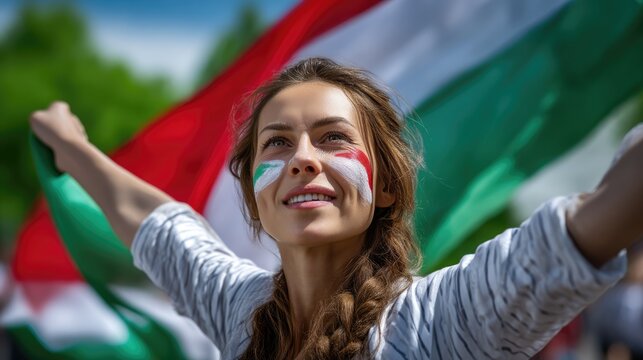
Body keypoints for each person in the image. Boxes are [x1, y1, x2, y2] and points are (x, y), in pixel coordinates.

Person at [29, 58, 643, 359]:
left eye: (333, 138)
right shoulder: (241, 311)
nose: (302, 158)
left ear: (386, 187)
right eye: (277, 143)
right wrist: (73, 147)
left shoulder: (439, 324)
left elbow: (590, 223)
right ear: (256, 197)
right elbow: (158, 225)